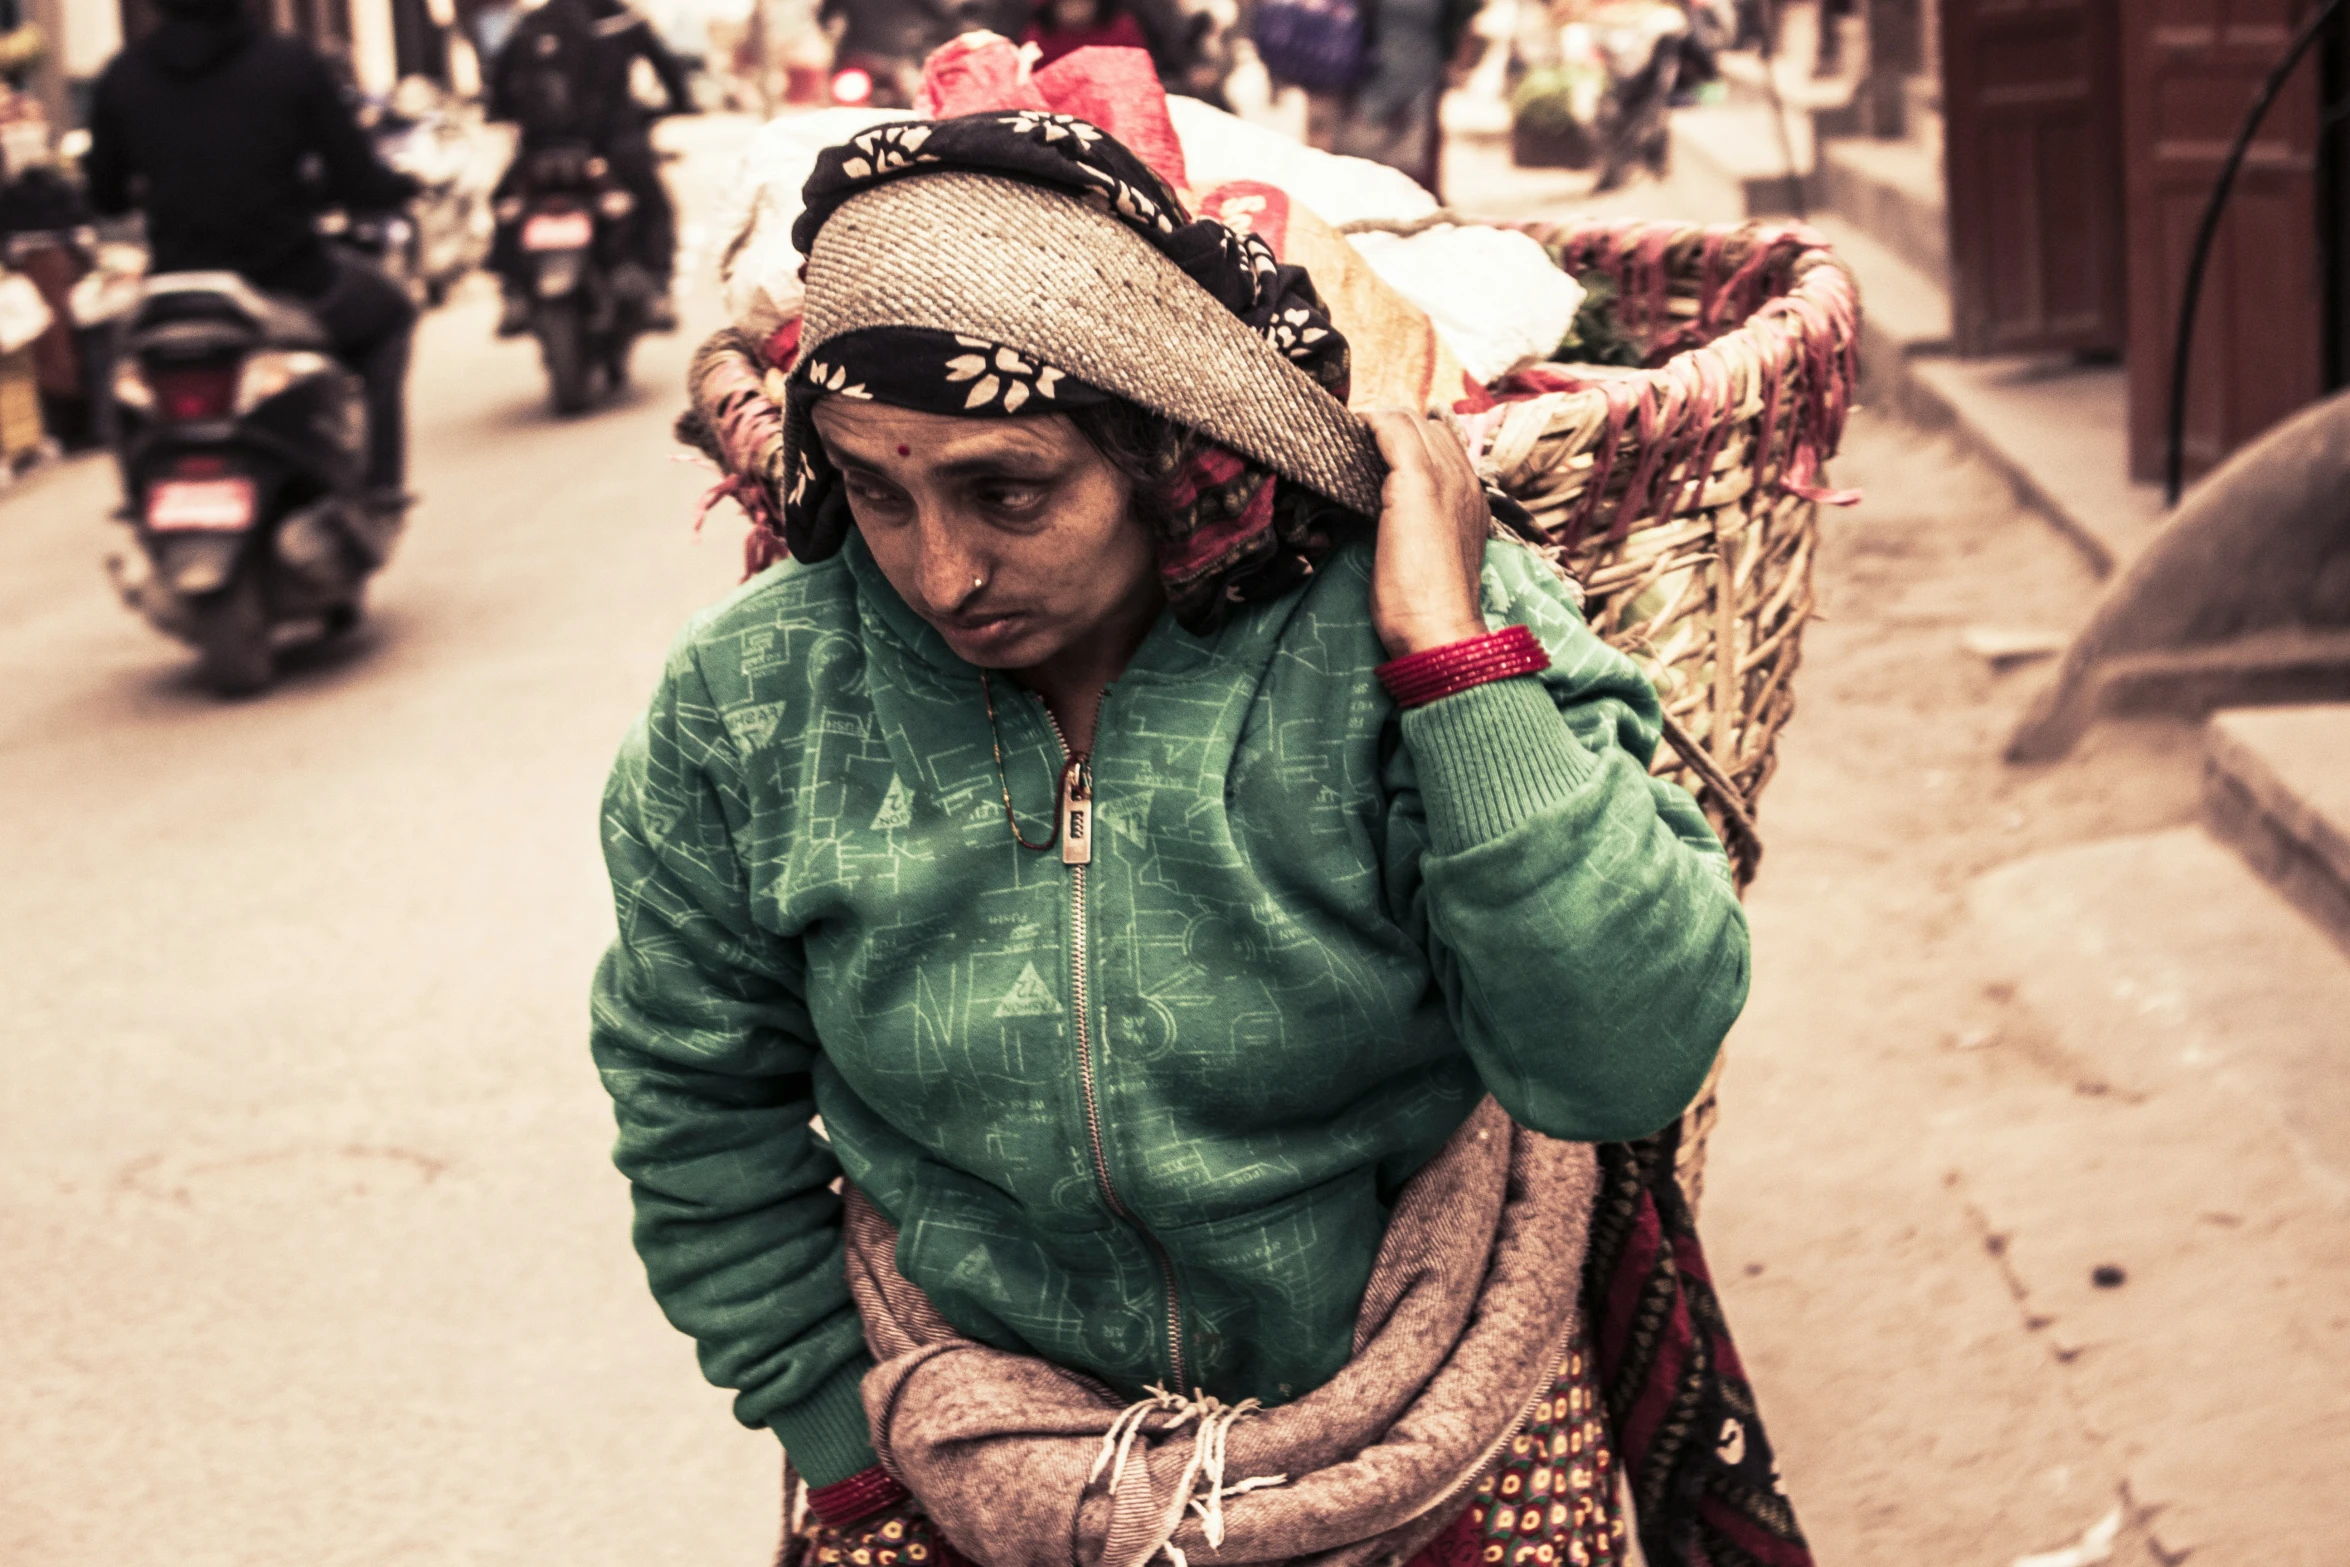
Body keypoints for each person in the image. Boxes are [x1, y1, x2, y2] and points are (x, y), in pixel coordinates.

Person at [594, 115, 1774, 1567]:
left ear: (1159, 437)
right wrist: (836, 1438)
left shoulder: (1413, 625)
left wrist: (1449, 657)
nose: (943, 571)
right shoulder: (752, 699)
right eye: (876, 491)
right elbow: (691, 1094)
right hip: (964, 1437)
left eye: (1006, 489)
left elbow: (1621, 1053)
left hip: (1426, 1412)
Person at [84, 0, 419, 508]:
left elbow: (104, 195)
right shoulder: (289, 63)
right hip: (289, 276)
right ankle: (379, 484)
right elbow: (357, 176)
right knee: (391, 314)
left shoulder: (123, 76)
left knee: (122, 371)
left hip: (179, 288)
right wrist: (394, 187)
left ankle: (137, 495)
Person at [486, 0, 694, 334]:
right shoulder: (622, 21)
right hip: (615, 144)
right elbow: (670, 72)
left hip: (541, 146)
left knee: (506, 201)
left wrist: (505, 115)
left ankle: (512, 292)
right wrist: (680, 103)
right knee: (653, 205)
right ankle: (658, 290)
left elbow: (498, 88)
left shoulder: (533, 23)